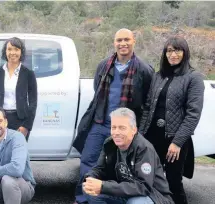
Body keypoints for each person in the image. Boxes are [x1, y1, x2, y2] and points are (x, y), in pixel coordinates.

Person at [73, 28, 154, 203]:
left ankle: (110, 197)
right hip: (101, 123)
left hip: (124, 128)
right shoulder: (104, 65)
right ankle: (83, 199)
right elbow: (98, 90)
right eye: (119, 40)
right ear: (114, 43)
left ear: (134, 42)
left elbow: (148, 103)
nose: (122, 44)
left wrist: (141, 129)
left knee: (118, 166)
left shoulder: (144, 69)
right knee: (88, 161)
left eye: (126, 40)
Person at [139, 36, 205, 204]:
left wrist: (177, 142)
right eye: (169, 50)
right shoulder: (158, 76)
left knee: (174, 182)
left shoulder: (193, 77)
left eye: (177, 50)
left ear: (185, 52)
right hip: (152, 136)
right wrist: (140, 134)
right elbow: (147, 107)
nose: (173, 54)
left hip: (174, 140)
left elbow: (193, 114)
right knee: (148, 178)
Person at [83, 108, 174, 204]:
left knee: (136, 203)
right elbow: (100, 168)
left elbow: (144, 187)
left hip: (153, 196)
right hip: (126, 192)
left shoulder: (144, 148)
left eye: (122, 128)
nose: (116, 132)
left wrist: (103, 186)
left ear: (133, 130)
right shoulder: (109, 144)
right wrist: (90, 179)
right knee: (92, 193)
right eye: (113, 127)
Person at [0, 37, 37, 140]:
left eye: (16, 49)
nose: (12, 52)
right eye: (9, 49)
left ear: (21, 52)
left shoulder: (28, 74)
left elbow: (33, 103)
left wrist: (26, 126)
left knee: (16, 152)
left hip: (20, 120)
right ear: (5, 51)